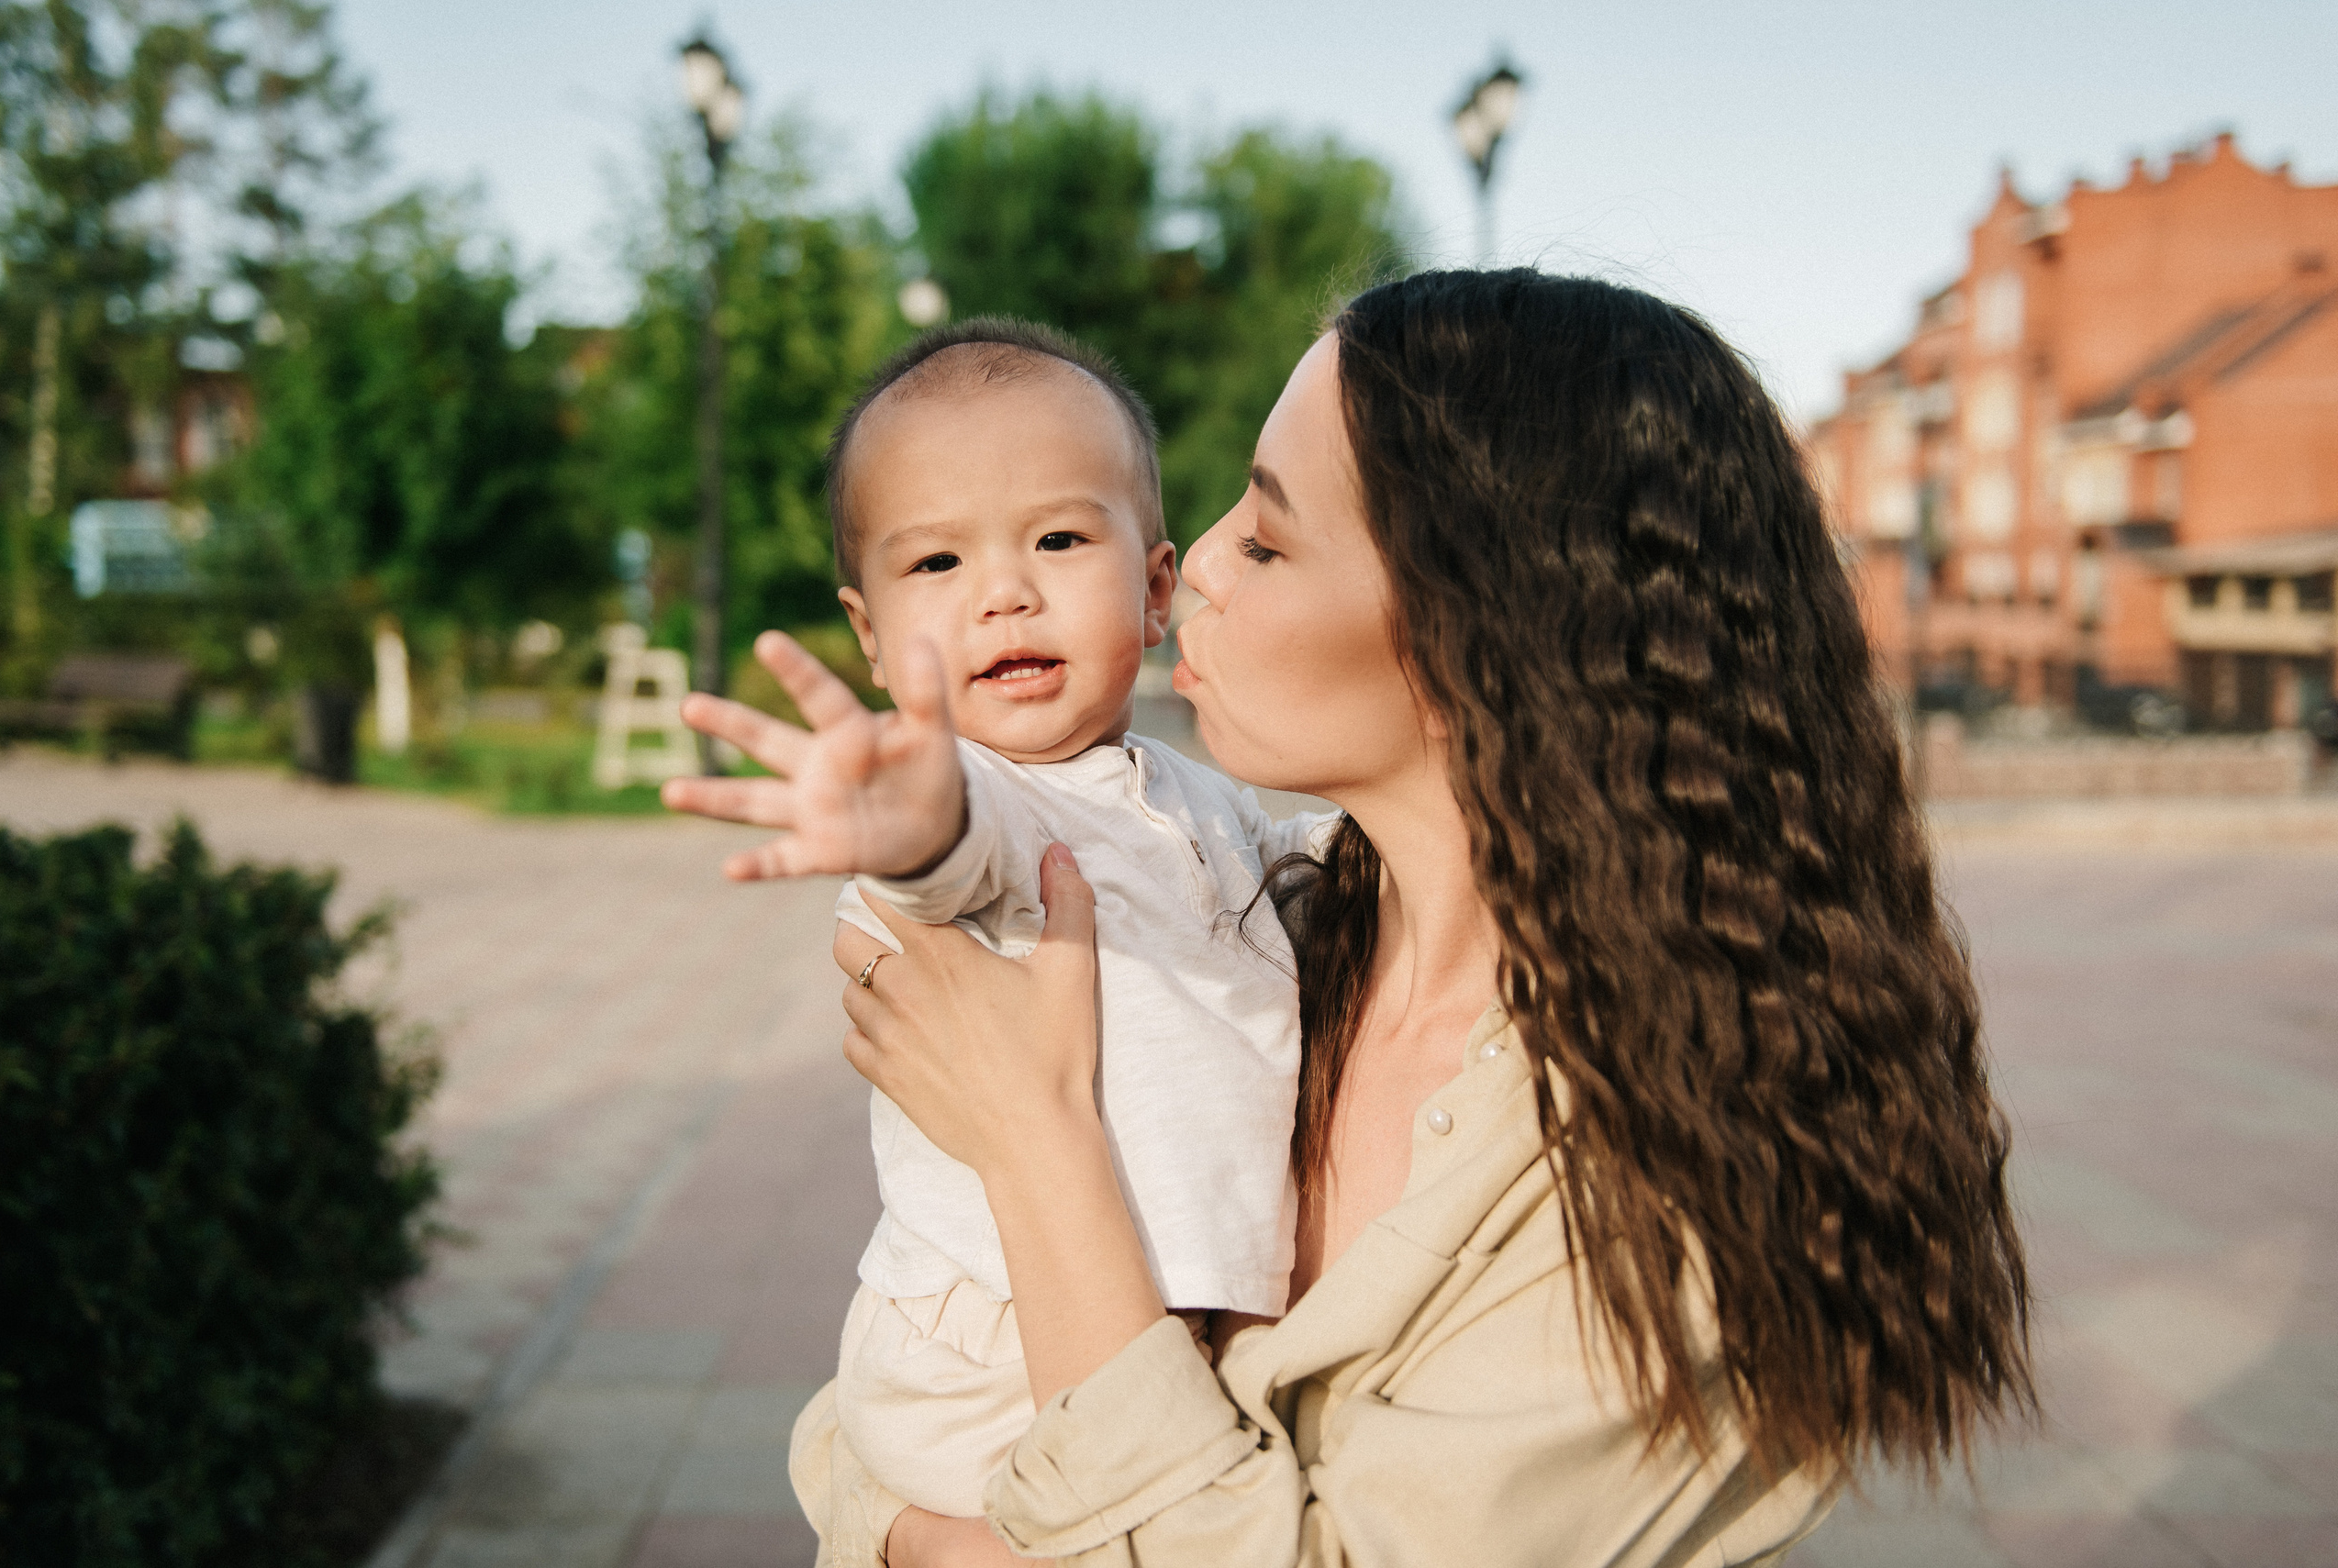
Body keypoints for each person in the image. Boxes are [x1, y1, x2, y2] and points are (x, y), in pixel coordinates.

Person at [674, 270, 2036, 1566]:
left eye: (1267, 535)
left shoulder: (1674, 1166)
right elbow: (880, 1394)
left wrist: (1034, 1139)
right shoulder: (1289, 917)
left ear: (1475, 629)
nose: (1193, 562)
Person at [667, 318, 1333, 1538]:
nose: (1004, 590)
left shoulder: (1192, 794)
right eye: (936, 565)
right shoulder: (993, 804)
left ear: (1154, 586)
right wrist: (908, 811)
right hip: (991, 1343)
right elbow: (949, 853)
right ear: (869, 635)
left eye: (1060, 538)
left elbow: (1312, 865)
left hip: (1144, 1327)